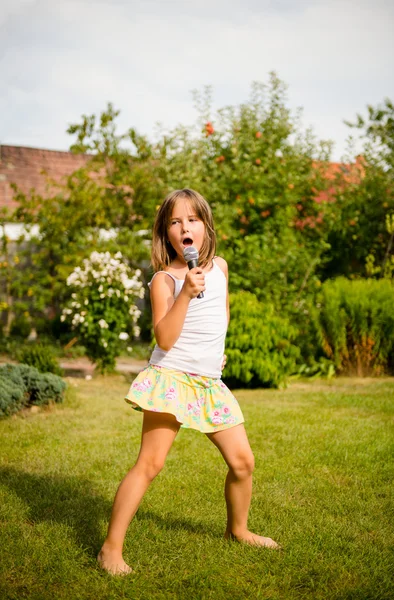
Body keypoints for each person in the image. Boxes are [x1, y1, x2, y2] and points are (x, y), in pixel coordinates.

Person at [97, 188, 280, 575]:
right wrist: (185, 293)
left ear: (205, 228)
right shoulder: (164, 280)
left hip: (209, 381)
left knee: (243, 462)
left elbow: (221, 316)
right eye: (175, 221)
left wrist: (217, 353)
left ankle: (239, 530)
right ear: (166, 234)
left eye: (192, 219)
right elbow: (164, 337)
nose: (185, 226)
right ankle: (110, 549)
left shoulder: (222, 268)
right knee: (150, 463)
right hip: (171, 377)